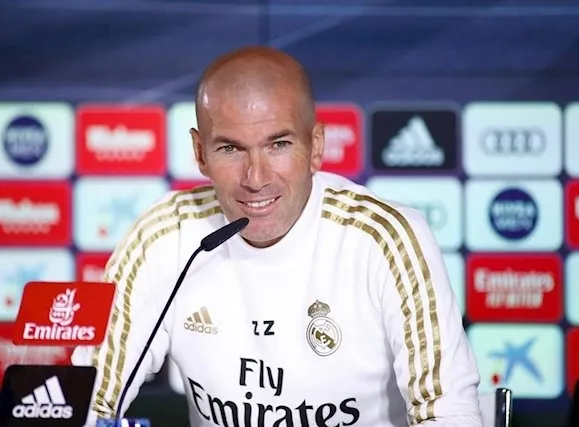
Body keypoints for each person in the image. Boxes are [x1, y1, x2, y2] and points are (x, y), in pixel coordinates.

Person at [71, 45, 483, 427]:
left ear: (316, 146)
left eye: (278, 145)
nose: (256, 178)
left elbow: (450, 413)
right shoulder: (165, 237)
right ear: (199, 153)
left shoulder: (387, 239)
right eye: (230, 149)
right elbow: (87, 400)